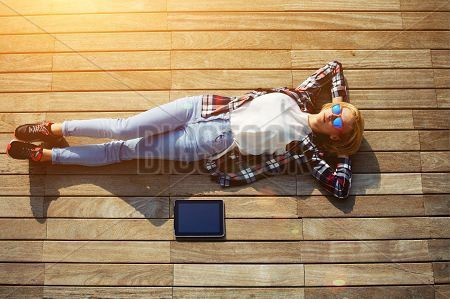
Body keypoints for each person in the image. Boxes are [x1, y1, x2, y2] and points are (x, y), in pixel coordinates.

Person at [7, 61, 364, 199]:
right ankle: (53, 127)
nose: (331, 115)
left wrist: (346, 152)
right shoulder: (300, 96)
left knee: (125, 149)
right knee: (125, 126)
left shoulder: (306, 148)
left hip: (209, 142)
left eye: (337, 123)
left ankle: (47, 155)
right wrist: (343, 105)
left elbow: (340, 188)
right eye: (335, 111)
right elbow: (333, 68)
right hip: (204, 106)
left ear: (334, 136)